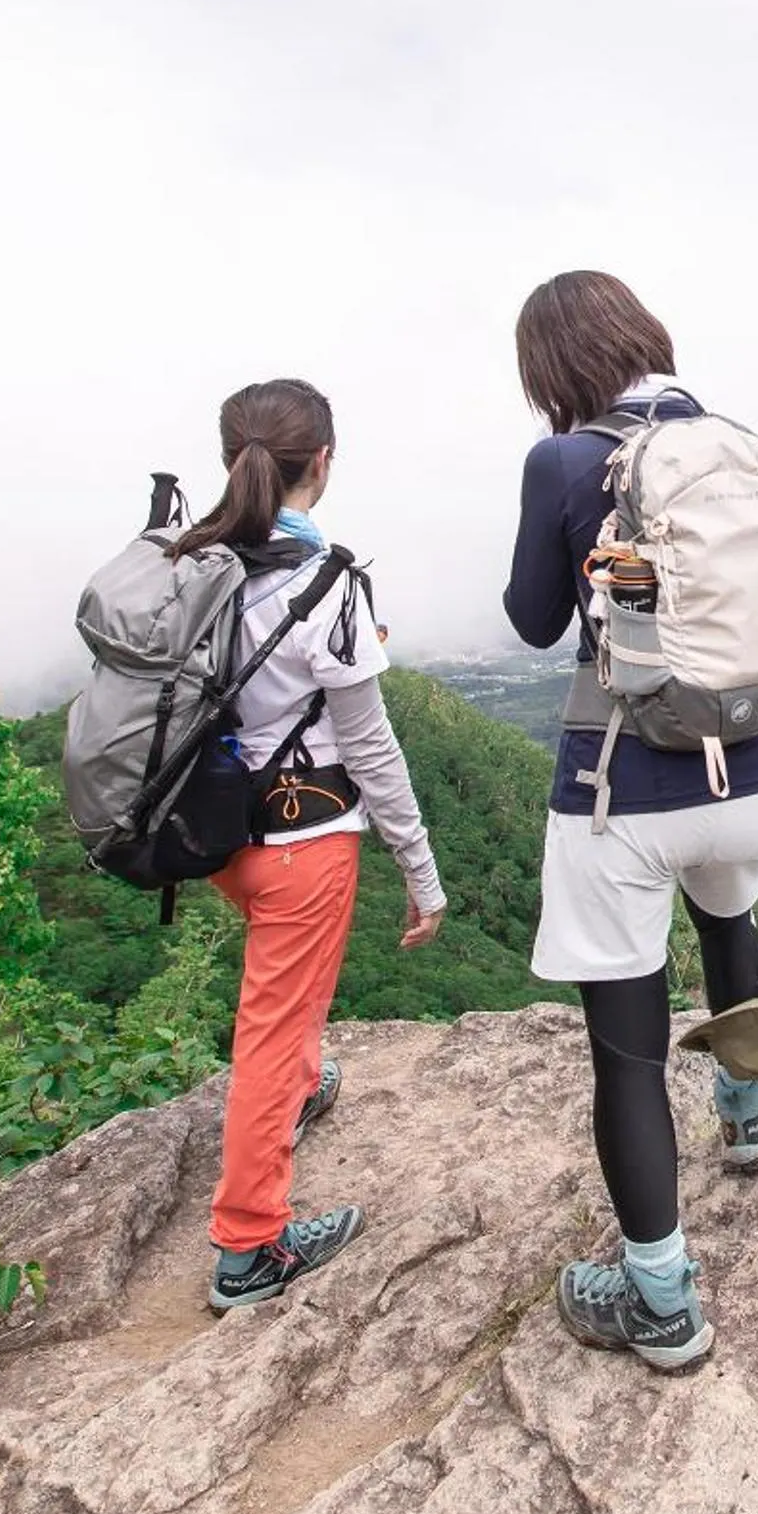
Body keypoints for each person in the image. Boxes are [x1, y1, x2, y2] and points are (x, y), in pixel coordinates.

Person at [504, 270, 758, 1370]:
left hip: (624, 791)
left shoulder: (569, 459)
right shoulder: (737, 443)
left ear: (553, 370)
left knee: (626, 1057)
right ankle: (750, 1113)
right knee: (728, 924)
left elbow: (534, 622)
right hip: (753, 775)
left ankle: (662, 1301)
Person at [174, 378, 448, 1311]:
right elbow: (370, 745)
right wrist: (420, 868)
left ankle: (295, 1088)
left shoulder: (187, 564)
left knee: (279, 1018)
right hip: (303, 844)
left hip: (215, 839)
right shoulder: (326, 585)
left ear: (230, 462)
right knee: (273, 1027)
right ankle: (250, 1246)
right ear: (321, 463)